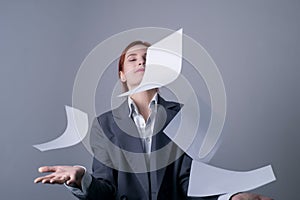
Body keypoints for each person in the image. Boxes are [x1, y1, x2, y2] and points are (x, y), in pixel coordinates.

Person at [35, 41, 272, 200]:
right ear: (122, 75)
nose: (141, 62)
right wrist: (81, 179)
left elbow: (190, 184)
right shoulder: (105, 125)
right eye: (133, 59)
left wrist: (229, 198)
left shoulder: (184, 116)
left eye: (148, 58)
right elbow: (105, 192)